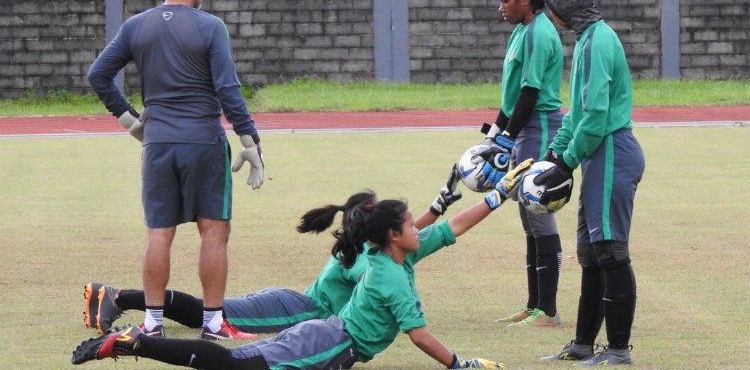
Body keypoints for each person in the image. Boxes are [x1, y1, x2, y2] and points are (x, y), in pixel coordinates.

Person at [71, 160, 535, 369]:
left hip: (322, 335)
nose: (419, 231)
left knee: (228, 350)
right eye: (410, 226)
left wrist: (495, 197)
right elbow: (419, 335)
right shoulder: (379, 271)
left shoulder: (380, 251)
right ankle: (132, 338)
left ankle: (132, 337)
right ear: (391, 235)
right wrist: (461, 365)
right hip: (320, 332)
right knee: (230, 359)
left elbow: (446, 230)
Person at [86, 0, 264, 340]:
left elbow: (98, 75)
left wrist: (130, 119)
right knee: (214, 232)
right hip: (203, 141)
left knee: (159, 232)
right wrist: (249, 139)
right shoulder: (210, 26)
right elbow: (227, 88)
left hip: (159, 144)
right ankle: (213, 324)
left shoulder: (136, 26)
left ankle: (152, 323)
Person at [83, 180, 461, 335]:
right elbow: (398, 248)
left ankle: (117, 297)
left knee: (211, 310)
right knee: (210, 313)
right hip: (297, 311)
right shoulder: (365, 258)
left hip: (292, 303)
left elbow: (403, 237)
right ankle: (116, 298)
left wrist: (435, 209)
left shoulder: (361, 245)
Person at [535, 0, 646, 365]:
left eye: (552, 6)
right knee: (591, 252)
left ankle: (617, 349)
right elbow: (576, 114)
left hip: (612, 150)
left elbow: (597, 116)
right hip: (598, 155)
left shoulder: (599, 42)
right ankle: (582, 344)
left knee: (611, 250)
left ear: (564, 6)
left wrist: (565, 163)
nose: (550, 14)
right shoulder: (585, 40)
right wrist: (553, 155)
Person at [484, 0, 565, 328]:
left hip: (541, 128)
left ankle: (548, 312)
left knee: (538, 212)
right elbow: (511, 97)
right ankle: (533, 306)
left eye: (505, 0)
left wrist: (506, 138)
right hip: (524, 130)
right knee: (527, 217)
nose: (501, 7)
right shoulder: (521, 30)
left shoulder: (539, 33)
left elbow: (531, 93)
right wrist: (493, 138)